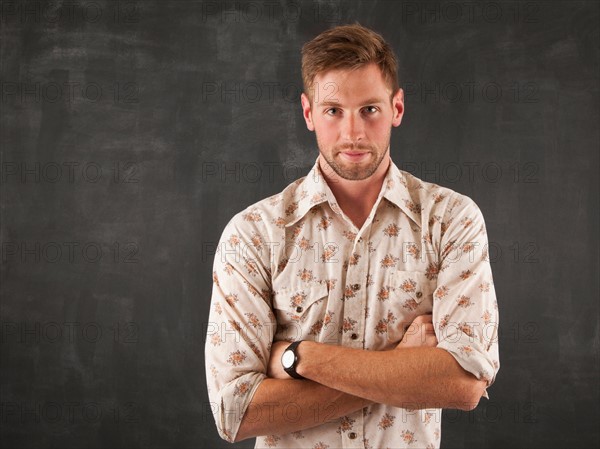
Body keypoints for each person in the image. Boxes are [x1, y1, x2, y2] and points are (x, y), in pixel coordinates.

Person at [205, 23, 499, 449]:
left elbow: (463, 383)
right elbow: (237, 411)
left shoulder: (451, 220)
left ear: (397, 108)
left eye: (370, 109)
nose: (353, 133)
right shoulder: (254, 235)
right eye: (333, 111)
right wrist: (400, 366)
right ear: (308, 114)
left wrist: (298, 357)